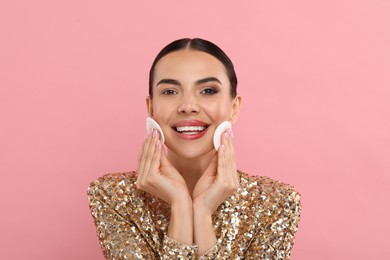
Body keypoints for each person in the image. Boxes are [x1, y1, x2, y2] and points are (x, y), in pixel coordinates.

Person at [87, 38, 301, 259]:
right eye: (170, 92)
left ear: (234, 108)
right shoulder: (111, 196)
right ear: (151, 108)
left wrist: (202, 213)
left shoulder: (276, 204)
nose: (188, 106)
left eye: (208, 91)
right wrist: (180, 205)